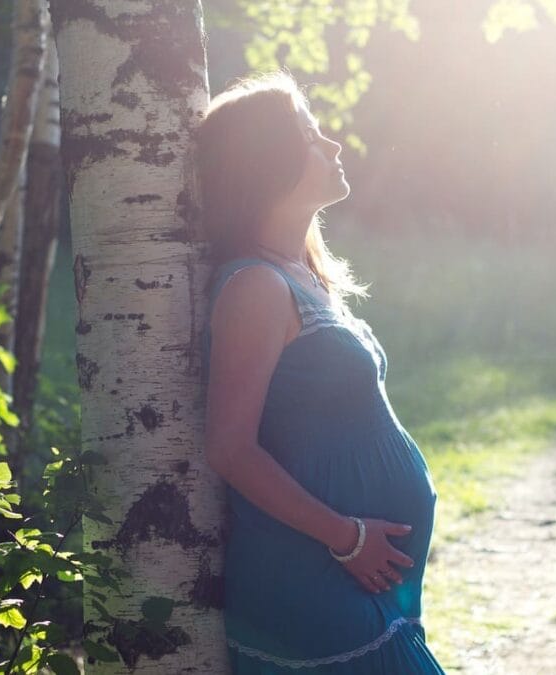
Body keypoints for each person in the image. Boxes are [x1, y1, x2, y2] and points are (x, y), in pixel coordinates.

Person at [196, 70, 446, 673]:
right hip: (313, 572)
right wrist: (346, 537)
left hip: (358, 579)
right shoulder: (256, 286)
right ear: (268, 164)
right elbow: (229, 448)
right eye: (310, 136)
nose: (332, 145)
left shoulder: (302, 275)